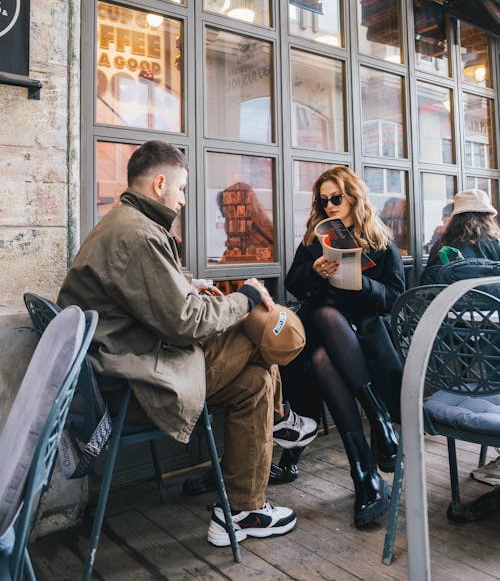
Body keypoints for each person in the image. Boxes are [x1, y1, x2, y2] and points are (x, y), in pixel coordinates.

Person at [57, 140, 318, 547]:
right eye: (180, 189)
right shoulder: (139, 235)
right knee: (256, 333)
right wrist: (245, 298)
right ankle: (282, 420)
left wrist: (192, 285)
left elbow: (152, 296)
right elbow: (184, 323)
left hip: (120, 371)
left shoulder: (124, 223)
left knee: (255, 383)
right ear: (160, 183)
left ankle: (243, 508)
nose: (182, 200)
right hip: (135, 386)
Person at [280, 165, 405, 528]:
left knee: (321, 360)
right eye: (324, 201)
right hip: (324, 330)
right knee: (322, 316)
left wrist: (360, 285)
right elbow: (293, 283)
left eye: (336, 198)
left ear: (353, 197)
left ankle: (363, 474)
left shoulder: (380, 240)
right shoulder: (314, 238)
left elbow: (394, 297)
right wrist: (315, 271)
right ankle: (377, 418)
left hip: (364, 342)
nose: (330, 206)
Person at [422, 187, 500, 487]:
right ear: (487, 217)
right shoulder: (495, 244)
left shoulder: (441, 247)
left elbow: (425, 293)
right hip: (493, 350)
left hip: (451, 352)